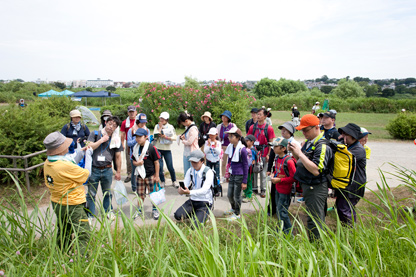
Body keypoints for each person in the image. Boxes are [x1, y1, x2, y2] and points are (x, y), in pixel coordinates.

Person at [43, 132, 90, 254]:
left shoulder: (48, 163)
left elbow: (70, 163)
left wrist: (81, 152)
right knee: (83, 232)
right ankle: (82, 259)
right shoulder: (63, 166)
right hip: (73, 204)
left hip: (57, 203)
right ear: (61, 148)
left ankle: (62, 254)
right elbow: (86, 174)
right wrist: (88, 156)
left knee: (64, 230)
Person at [289, 114, 333, 241]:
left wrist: (299, 153)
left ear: (316, 127)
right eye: (301, 130)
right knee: (311, 216)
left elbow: (316, 170)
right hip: (308, 186)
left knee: (315, 220)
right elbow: (301, 162)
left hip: (317, 187)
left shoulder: (322, 146)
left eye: (306, 130)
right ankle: (314, 246)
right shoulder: (309, 143)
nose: (303, 132)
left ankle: (318, 248)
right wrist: (294, 152)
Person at [85, 116, 123, 221]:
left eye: (114, 126)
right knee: (91, 193)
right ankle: (90, 214)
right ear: (105, 123)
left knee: (107, 192)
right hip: (94, 169)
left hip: (107, 169)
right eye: (110, 124)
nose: (111, 127)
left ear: (116, 128)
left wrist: (118, 171)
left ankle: (108, 211)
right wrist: (101, 140)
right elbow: (89, 146)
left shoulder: (116, 139)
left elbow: (118, 156)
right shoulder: (95, 134)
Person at [336, 123, 367, 226]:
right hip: (348, 184)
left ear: (353, 136)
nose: (342, 136)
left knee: (345, 208)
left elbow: (342, 159)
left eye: (345, 134)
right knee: (342, 207)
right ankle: (347, 231)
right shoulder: (350, 146)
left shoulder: (358, 149)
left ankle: (349, 232)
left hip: (354, 185)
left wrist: (339, 143)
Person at [267, 121, 301, 214]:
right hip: (278, 171)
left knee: (285, 194)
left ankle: (283, 212)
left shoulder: (295, 144)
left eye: (285, 130)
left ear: (291, 132)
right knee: (274, 192)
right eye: (282, 130)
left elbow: (298, 159)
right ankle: (273, 209)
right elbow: (271, 156)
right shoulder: (278, 141)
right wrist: (269, 169)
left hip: (288, 172)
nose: (283, 132)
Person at [174, 149, 214, 227]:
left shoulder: (208, 172)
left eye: (196, 162)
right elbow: (185, 183)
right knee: (177, 215)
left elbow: (204, 190)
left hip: (204, 202)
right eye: (192, 162)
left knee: (195, 225)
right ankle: (196, 213)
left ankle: (206, 214)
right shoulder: (190, 170)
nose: (193, 164)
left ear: (202, 161)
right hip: (193, 200)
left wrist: (189, 192)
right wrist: (181, 190)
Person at [131, 128, 161, 220]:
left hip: (150, 175)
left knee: (153, 194)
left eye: (140, 136)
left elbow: (156, 163)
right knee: (140, 194)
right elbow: (133, 162)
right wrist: (137, 164)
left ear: (146, 137)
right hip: (140, 175)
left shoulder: (151, 148)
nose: (138, 139)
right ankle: (139, 209)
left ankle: (155, 209)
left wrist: (157, 176)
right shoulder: (135, 148)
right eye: (136, 137)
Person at [247, 108, 276, 198]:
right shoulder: (253, 127)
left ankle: (263, 189)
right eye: (257, 114)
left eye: (260, 114)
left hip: (264, 152)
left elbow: (271, 142)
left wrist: (268, 155)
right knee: (254, 170)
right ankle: (255, 188)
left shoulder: (269, 128)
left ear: (265, 116)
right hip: (254, 152)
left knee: (263, 172)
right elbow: (248, 139)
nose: (258, 116)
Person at [270, 137, 296, 234]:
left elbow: (294, 177)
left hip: (285, 190)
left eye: (276, 146)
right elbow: (277, 170)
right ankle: (280, 229)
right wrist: (273, 174)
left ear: (283, 148)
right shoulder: (277, 158)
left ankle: (289, 233)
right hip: (278, 188)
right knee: (278, 210)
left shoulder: (289, 161)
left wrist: (279, 180)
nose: (273, 148)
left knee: (282, 212)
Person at [223, 127, 248, 220]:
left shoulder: (242, 149)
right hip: (232, 174)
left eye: (231, 136)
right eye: (229, 136)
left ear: (238, 138)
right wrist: (227, 173)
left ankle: (237, 214)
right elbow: (229, 162)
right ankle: (233, 208)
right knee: (229, 194)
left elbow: (246, 165)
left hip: (239, 175)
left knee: (237, 195)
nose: (229, 138)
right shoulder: (230, 147)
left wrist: (244, 181)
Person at [127, 113, 150, 192]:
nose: (143, 124)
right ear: (137, 121)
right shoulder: (131, 130)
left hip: (144, 155)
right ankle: (134, 188)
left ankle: (144, 187)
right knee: (134, 171)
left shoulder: (147, 130)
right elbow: (129, 143)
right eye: (141, 122)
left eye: (144, 122)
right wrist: (137, 139)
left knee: (144, 170)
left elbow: (148, 141)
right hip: (134, 154)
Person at [153, 112, 177, 188]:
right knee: (160, 166)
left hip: (167, 149)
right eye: (161, 118)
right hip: (158, 148)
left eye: (163, 118)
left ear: (167, 119)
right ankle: (162, 180)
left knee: (170, 166)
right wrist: (160, 129)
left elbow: (174, 137)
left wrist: (166, 137)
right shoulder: (157, 126)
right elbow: (154, 136)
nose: (162, 120)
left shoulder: (170, 127)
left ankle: (174, 180)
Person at [217, 110, 236, 182]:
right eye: (223, 116)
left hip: (231, 146)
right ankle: (224, 176)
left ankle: (232, 176)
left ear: (228, 118)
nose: (223, 118)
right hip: (223, 146)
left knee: (232, 161)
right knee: (223, 162)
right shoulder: (219, 126)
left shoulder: (232, 125)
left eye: (225, 117)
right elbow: (218, 136)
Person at [120, 105, 137, 183]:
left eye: (133, 112)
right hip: (129, 142)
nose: (131, 114)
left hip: (138, 141)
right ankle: (129, 174)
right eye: (130, 112)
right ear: (128, 113)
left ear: (136, 112)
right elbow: (123, 133)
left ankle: (137, 174)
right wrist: (123, 143)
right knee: (128, 158)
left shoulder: (138, 121)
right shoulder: (124, 122)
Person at [242, 135, 257, 203]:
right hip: (245, 168)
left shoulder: (252, 150)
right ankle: (245, 193)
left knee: (249, 182)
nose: (246, 142)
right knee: (245, 180)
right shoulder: (245, 148)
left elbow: (253, 160)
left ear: (252, 142)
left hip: (250, 169)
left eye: (247, 141)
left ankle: (249, 196)